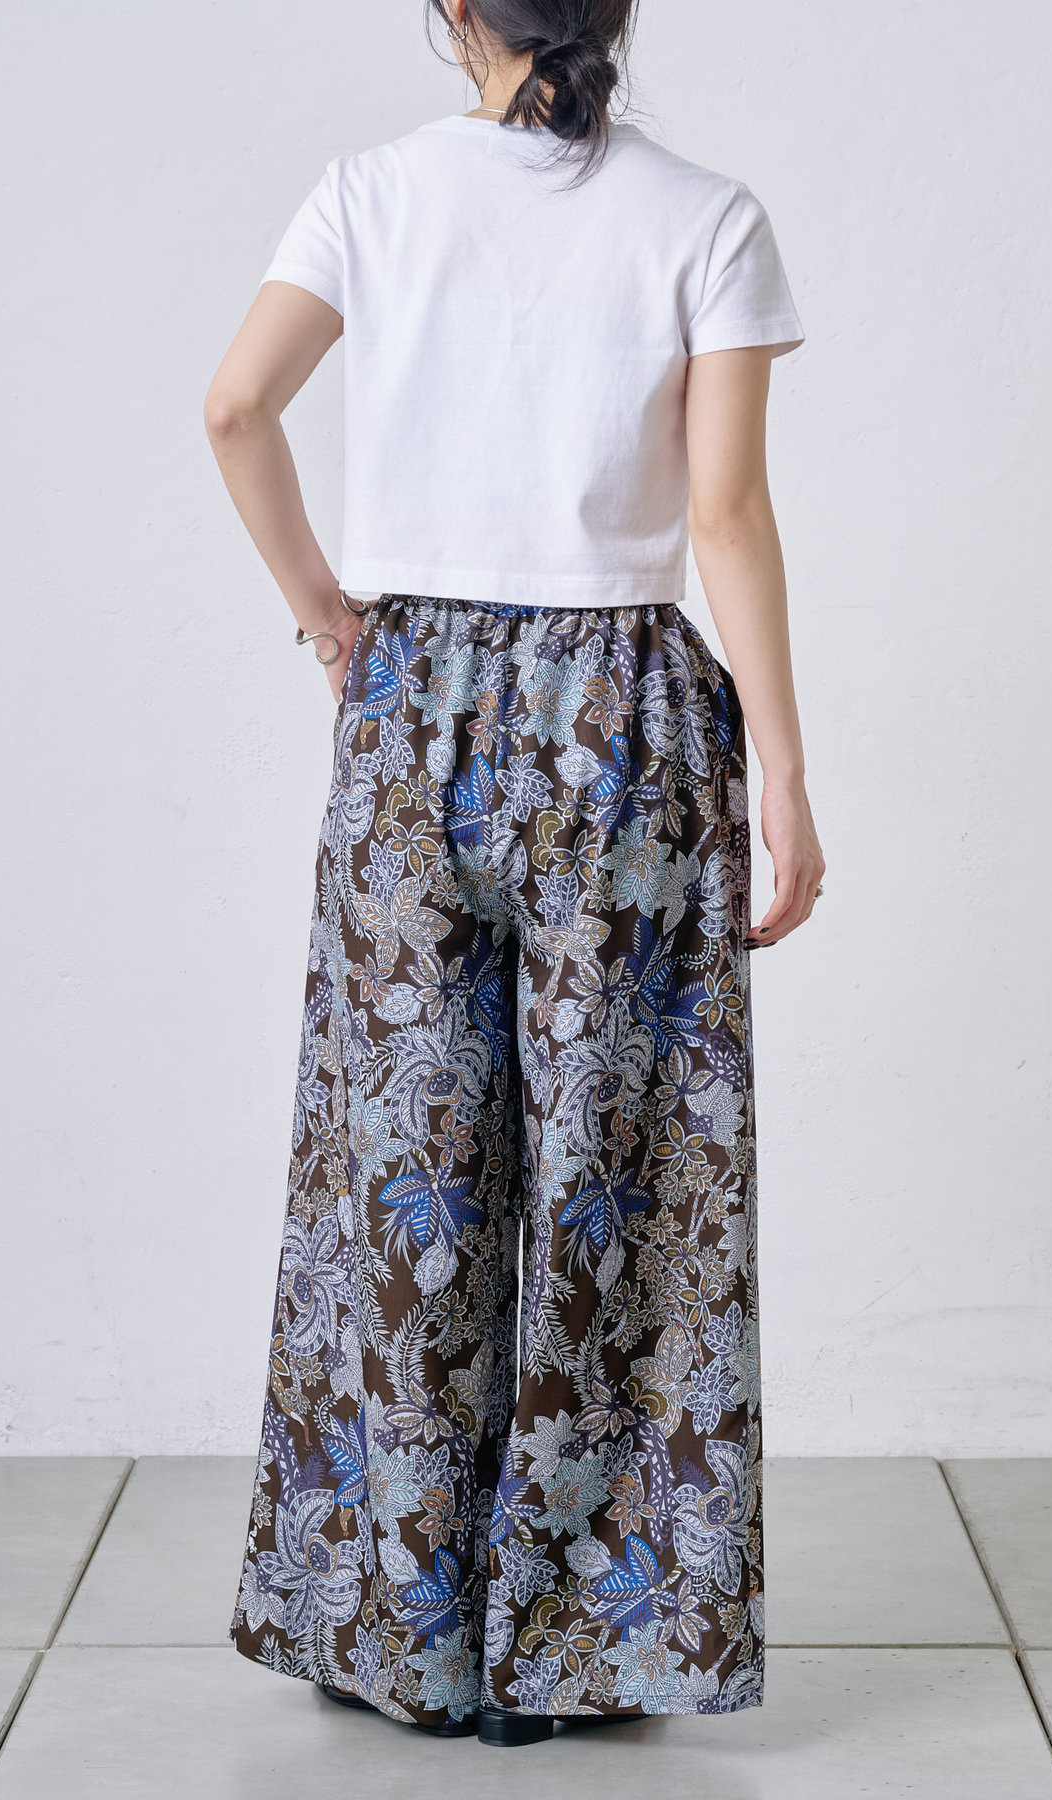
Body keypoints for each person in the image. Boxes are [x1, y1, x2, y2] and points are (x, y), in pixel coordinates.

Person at [205, 0, 824, 1749]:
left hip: (413, 714)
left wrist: (327, 613)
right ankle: (581, 1642)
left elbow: (236, 406)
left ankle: (406, 1634)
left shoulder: (368, 195)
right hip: (624, 716)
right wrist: (784, 770)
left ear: (455, 10)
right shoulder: (706, 217)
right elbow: (725, 517)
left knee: (406, 1164)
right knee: (615, 1171)